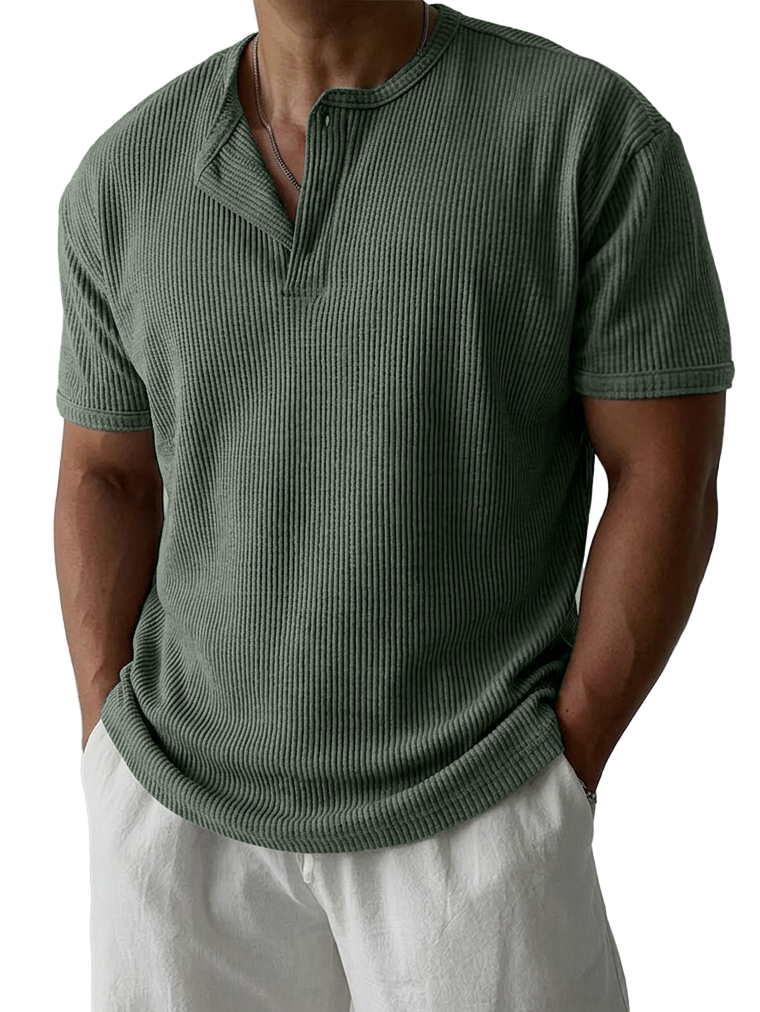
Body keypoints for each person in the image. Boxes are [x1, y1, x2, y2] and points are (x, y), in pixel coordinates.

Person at [53, 2, 734, 1009]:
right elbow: (106, 474)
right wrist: (105, 741)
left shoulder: (588, 137)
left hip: (477, 813)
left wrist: (563, 762)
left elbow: (664, 471)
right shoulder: (123, 177)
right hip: (178, 828)